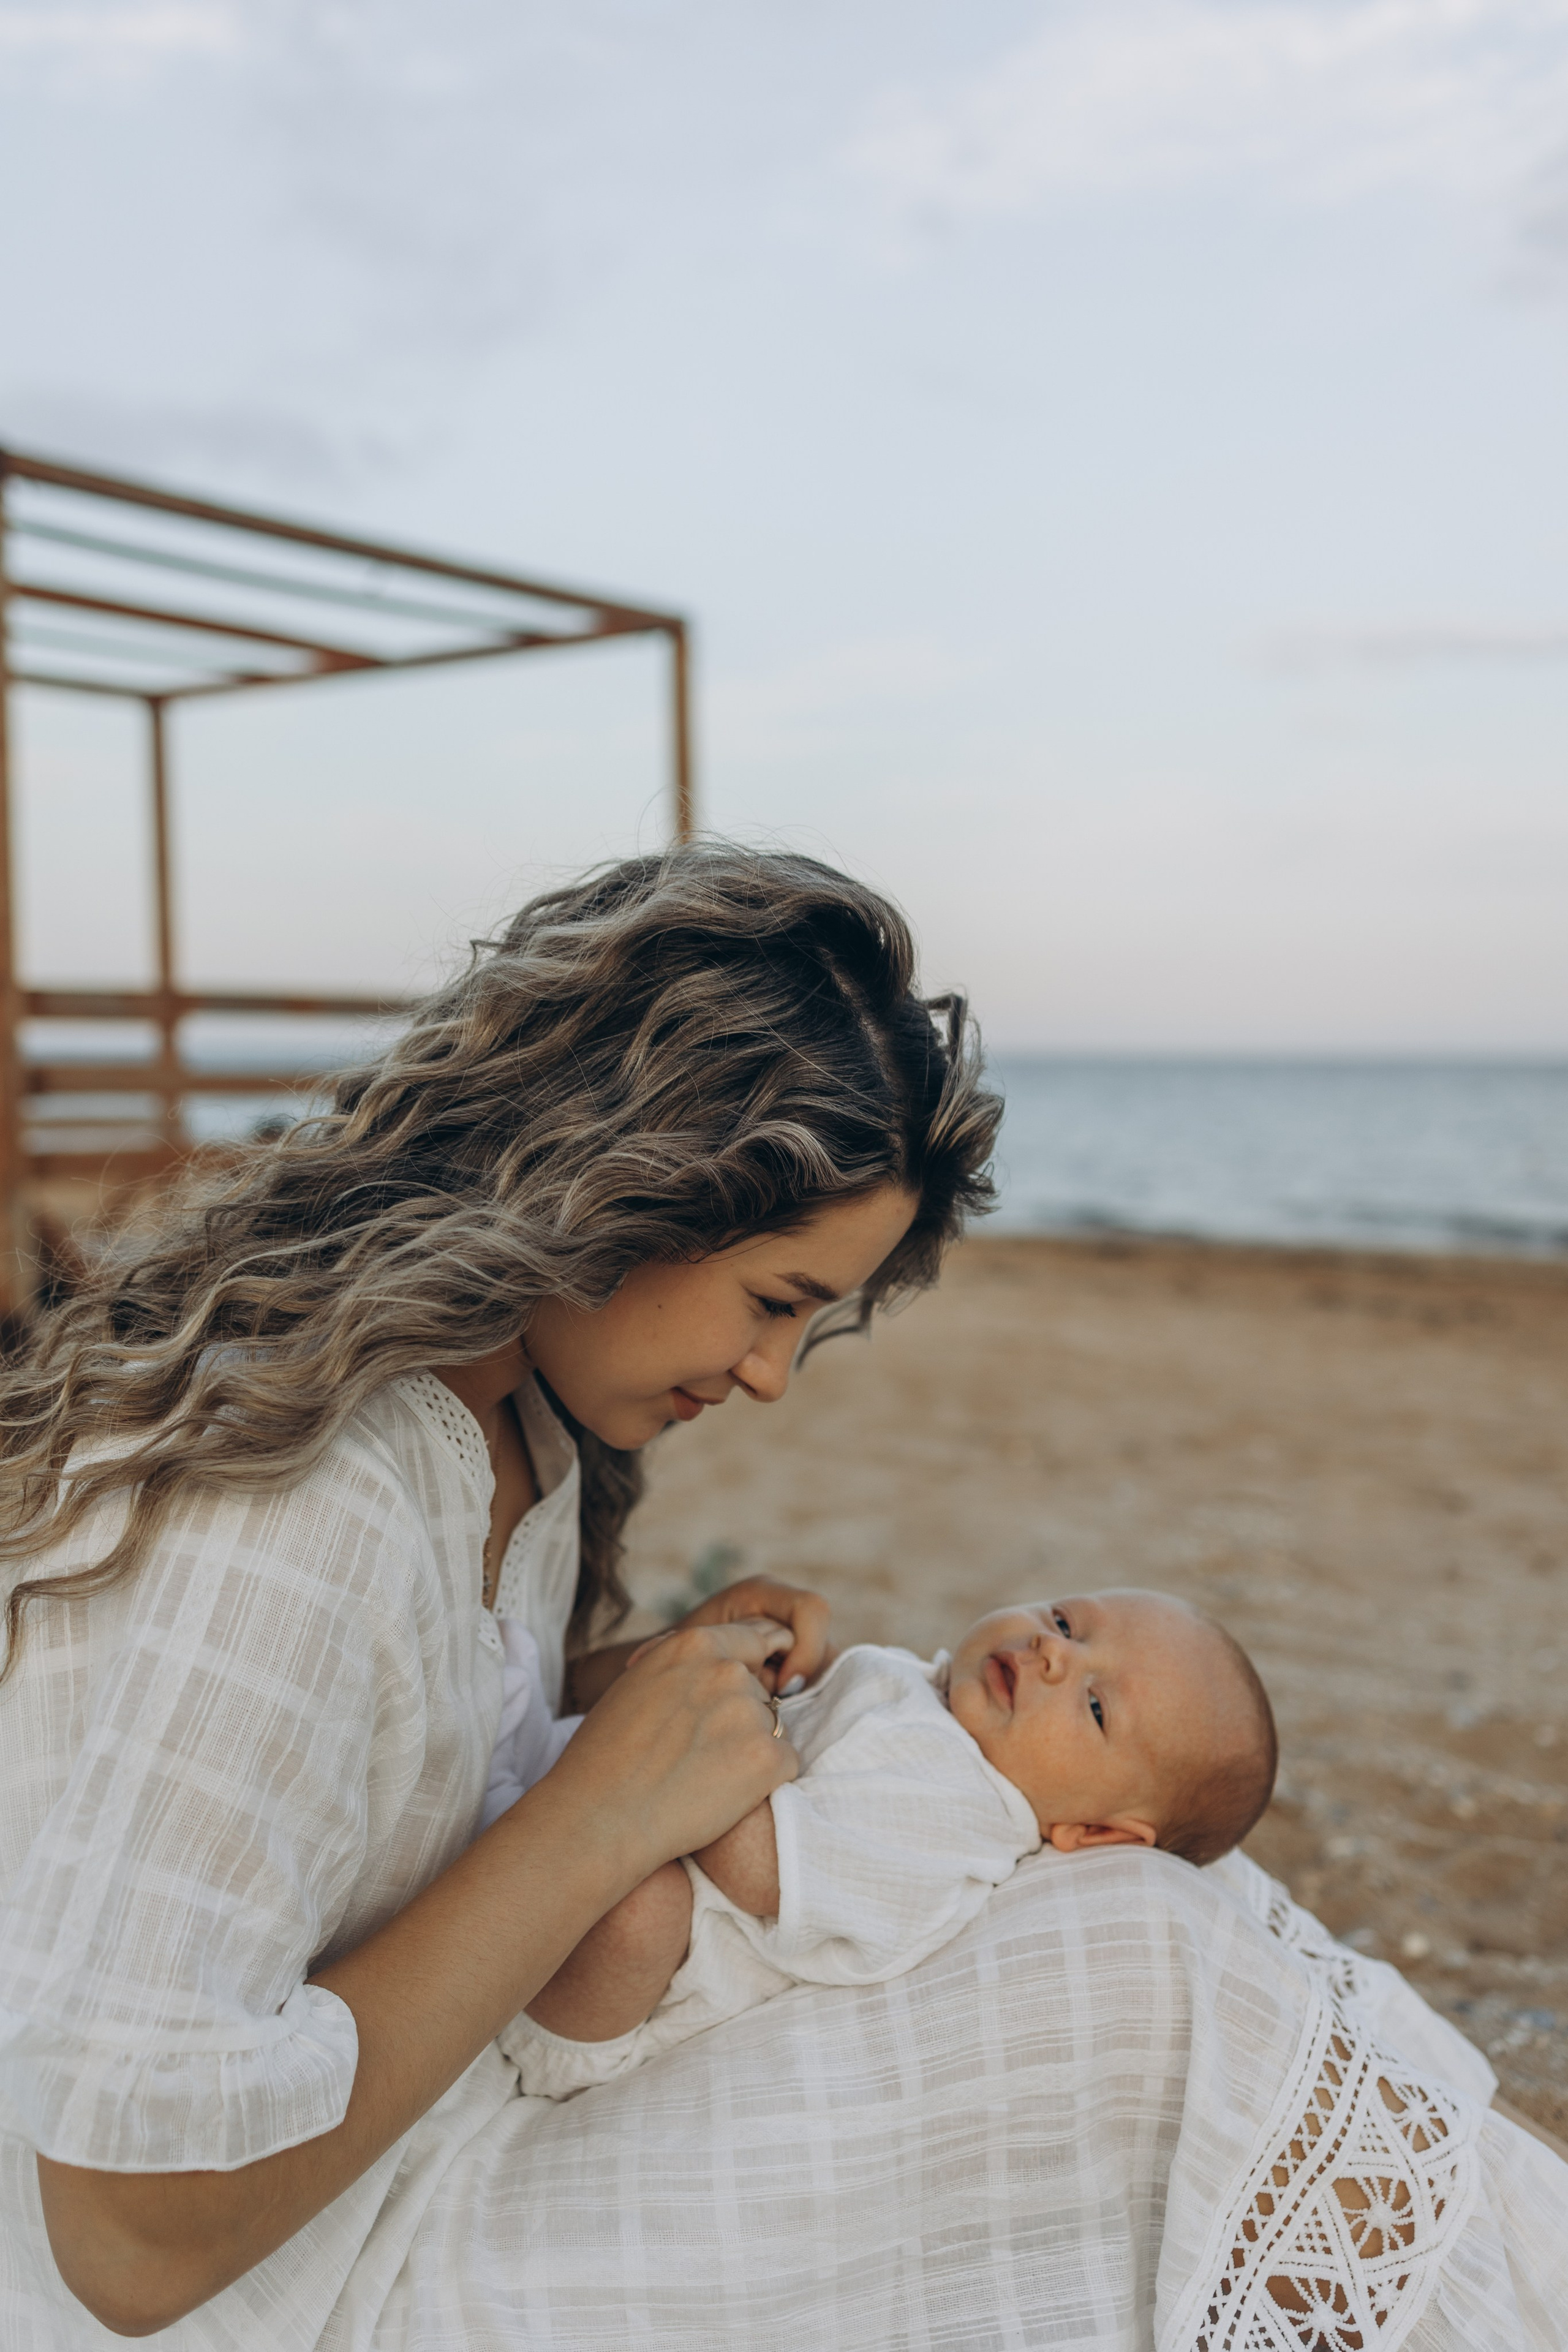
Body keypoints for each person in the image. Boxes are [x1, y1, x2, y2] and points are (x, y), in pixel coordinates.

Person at [0, 845, 1562, 2350]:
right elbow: (130, 2238)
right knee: (1144, 1981)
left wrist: (645, 1687)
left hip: (441, 2125)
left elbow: (392, 1783)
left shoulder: (515, 1439)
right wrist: (597, 1810)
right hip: (301, 2282)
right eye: (774, 1301)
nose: (764, 1375)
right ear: (616, 1184)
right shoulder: (296, 1506)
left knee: (1133, 1901)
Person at [501, 1589, 1280, 2098]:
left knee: (645, 1906)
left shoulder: (961, 1819)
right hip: (613, 1826)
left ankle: (530, 2032)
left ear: (1098, 1832)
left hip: (629, 1993)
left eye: (1096, 1705)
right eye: (1067, 1622)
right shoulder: (935, 1693)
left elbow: (756, 1869)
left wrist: (713, 1716)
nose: (1055, 1654)